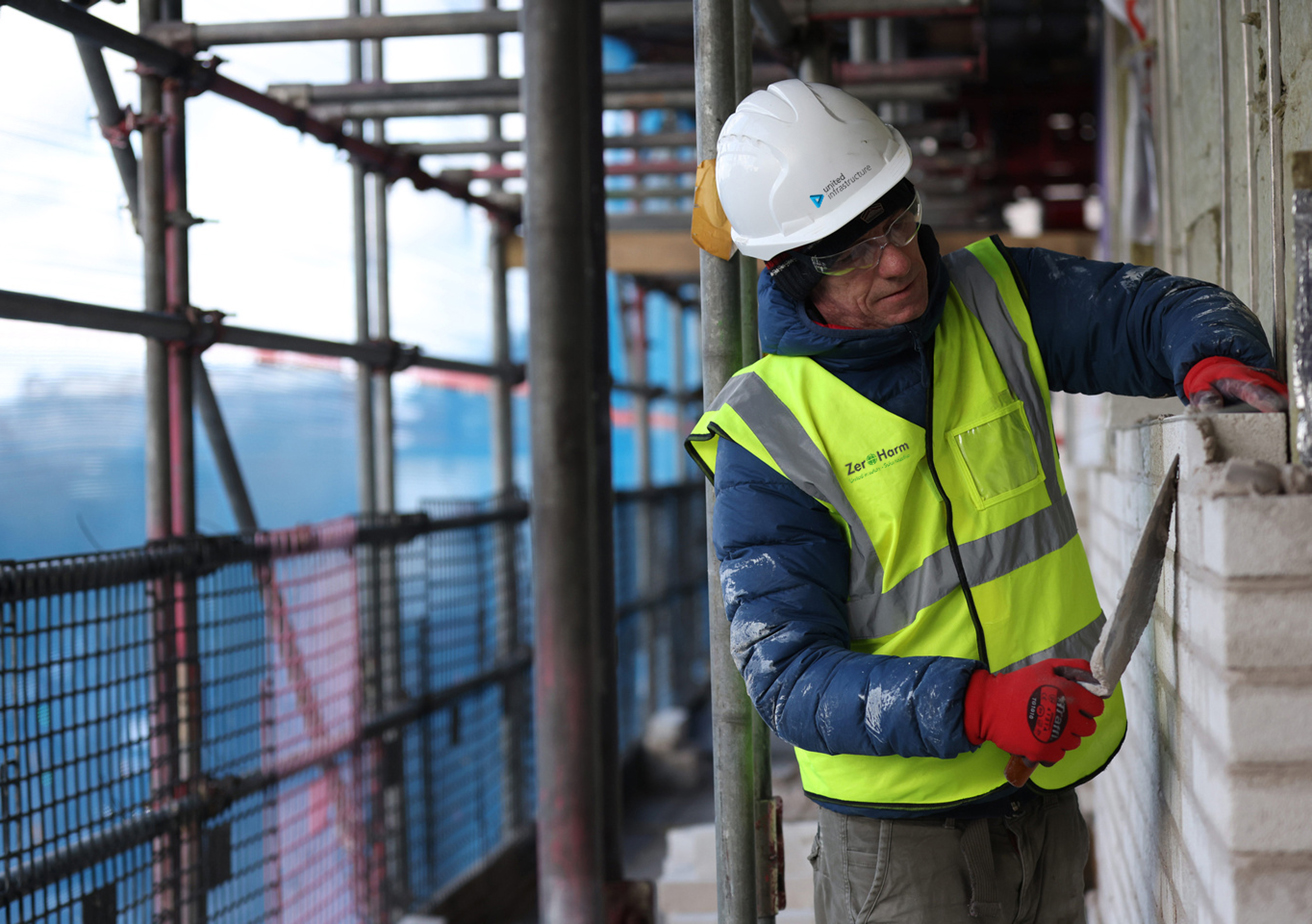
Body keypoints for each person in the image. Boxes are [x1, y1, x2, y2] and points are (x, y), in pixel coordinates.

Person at [685, 80, 1286, 924]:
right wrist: (977, 706)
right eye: (850, 250)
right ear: (787, 270)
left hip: (1042, 802)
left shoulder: (993, 299)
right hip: (899, 854)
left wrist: (1220, 366)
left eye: (898, 219)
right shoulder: (766, 436)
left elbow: (1159, 313)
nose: (895, 260)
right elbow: (788, 678)